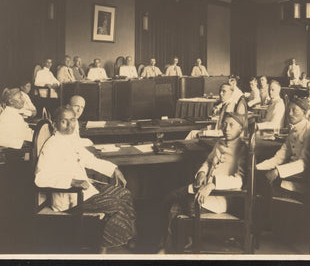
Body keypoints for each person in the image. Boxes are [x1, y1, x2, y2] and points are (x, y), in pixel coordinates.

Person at [34, 106, 137, 253]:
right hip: (71, 198)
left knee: (125, 194)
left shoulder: (70, 140)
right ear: (55, 124)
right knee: (116, 204)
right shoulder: (51, 146)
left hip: (86, 191)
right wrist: (71, 182)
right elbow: (40, 178)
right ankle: (104, 247)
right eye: (64, 121)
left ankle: (126, 236)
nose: (70, 125)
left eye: (73, 120)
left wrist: (113, 169)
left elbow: (90, 160)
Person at [161, 112, 247, 253]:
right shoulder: (220, 143)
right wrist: (201, 173)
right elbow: (208, 162)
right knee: (171, 201)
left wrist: (213, 183)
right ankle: (170, 245)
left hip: (221, 197)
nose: (226, 128)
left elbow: (239, 181)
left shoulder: (243, 149)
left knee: (175, 203)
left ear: (241, 129)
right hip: (203, 189)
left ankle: (169, 246)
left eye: (232, 125)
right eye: (225, 124)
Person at [256, 97, 310, 193]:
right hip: (289, 173)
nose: (290, 114)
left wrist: (278, 171)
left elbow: (303, 164)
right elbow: (279, 157)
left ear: (304, 112)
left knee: (263, 187)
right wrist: (257, 167)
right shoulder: (293, 130)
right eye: (288, 110)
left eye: (294, 110)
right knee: (257, 178)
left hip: (300, 179)